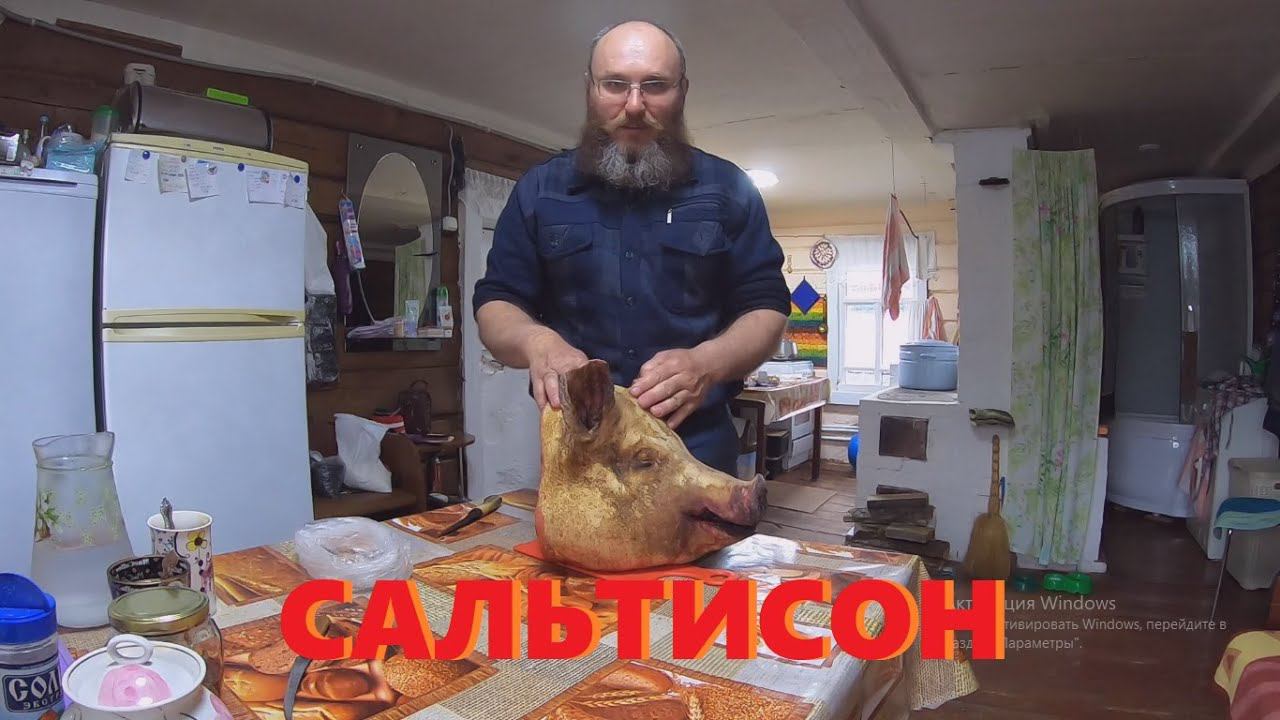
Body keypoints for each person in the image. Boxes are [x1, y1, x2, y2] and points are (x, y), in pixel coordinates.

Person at [472, 19, 790, 476]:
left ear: (682, 91)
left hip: (696, 450)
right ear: (590, 89)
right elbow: (496, 303)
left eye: (655, 85)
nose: (635, 105)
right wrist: (537, 341)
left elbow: (767, 307)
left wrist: (707, 362)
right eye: (615, 84)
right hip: (578, 449)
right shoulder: (539, 190)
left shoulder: (730, 188)